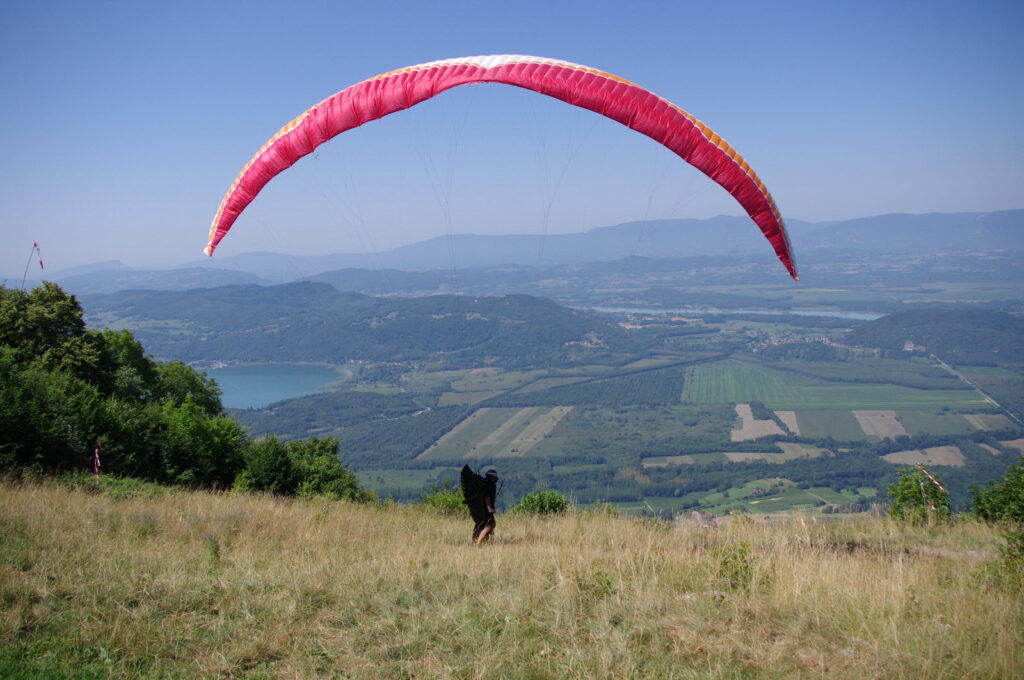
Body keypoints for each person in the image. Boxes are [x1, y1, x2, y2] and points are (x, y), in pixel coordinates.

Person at [461, 465, 498, 545]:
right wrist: (489, 508)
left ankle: (475, 540)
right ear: (492, 478)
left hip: (481, 509)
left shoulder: (484, 484)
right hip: (485, 510)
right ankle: (478, 544)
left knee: (481, 524)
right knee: (489, 526)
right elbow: (487, 498)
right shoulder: (490, 486)